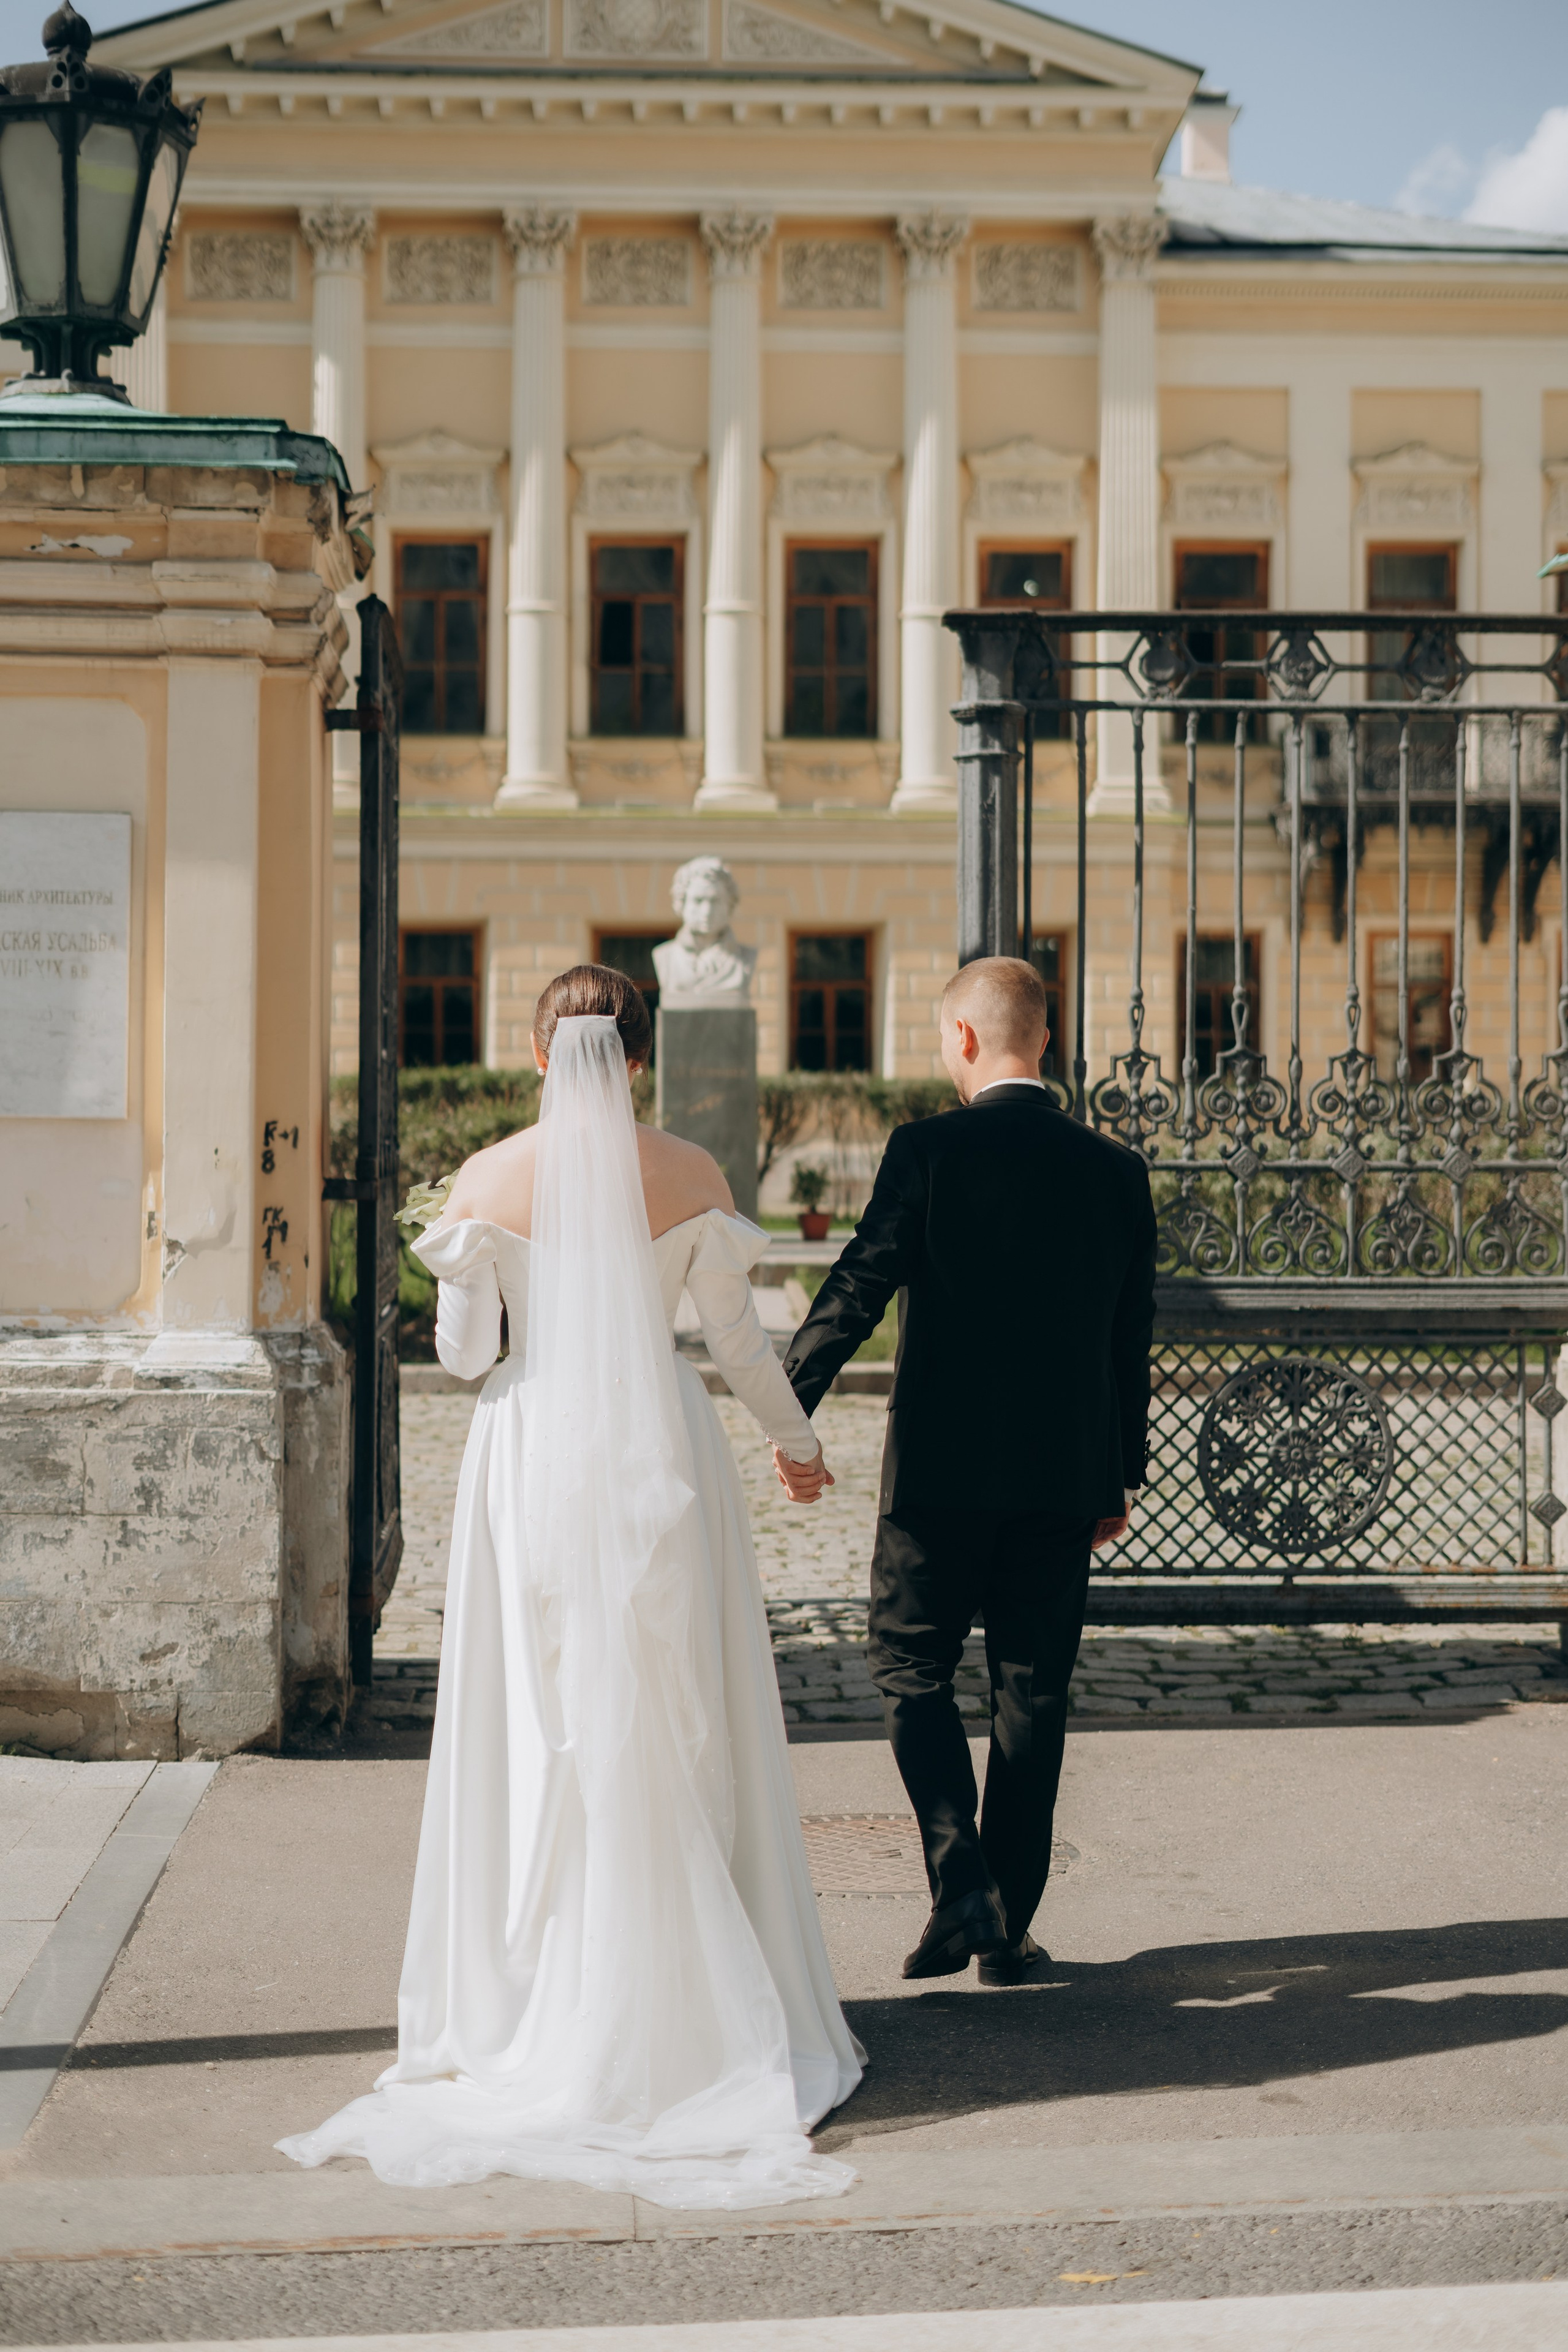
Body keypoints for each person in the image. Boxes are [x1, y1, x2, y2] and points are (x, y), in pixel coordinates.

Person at [279, 966, 862, 2209]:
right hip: (660, 1444)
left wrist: (486, 1290)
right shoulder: (695, 1176)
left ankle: (542, 1999)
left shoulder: (486, 1183)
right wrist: (798, 1446)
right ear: (637, 1060)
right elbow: (739, 1344)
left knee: (540, 1720)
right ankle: (687, 1997)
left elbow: (463, 1355)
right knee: (669, 1706)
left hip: (533, 1456)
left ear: (541, 1053)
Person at [777, 956, 1156, 1988]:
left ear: (964, 1039)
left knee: (910, 1670)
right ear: (1046, 1036)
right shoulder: (1116, 1170)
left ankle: (963, 1887)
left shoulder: (928, 1150)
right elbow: (1132, 1341)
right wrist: (1120, 1473)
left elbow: (862, 1277)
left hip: (940, 1475)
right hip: (1062, 1479)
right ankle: (1008, 1926)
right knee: (1033, 1694)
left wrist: (789, 1398)